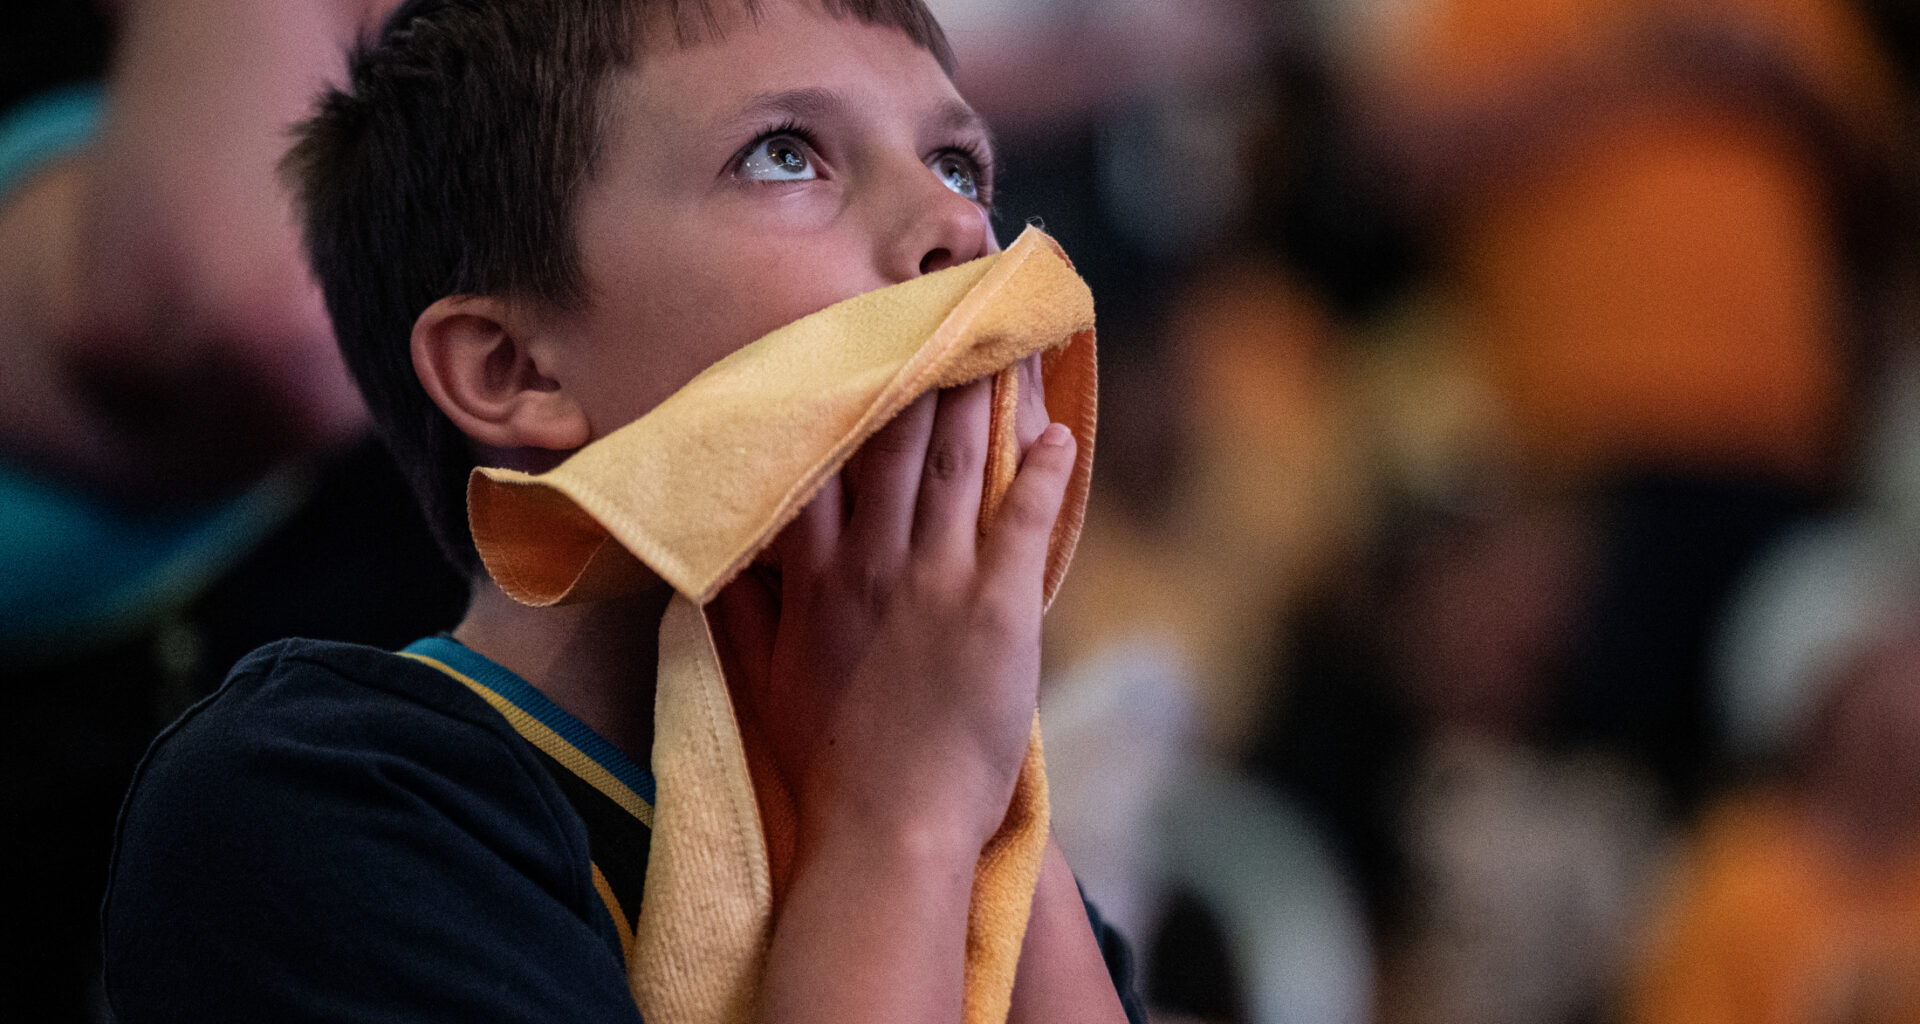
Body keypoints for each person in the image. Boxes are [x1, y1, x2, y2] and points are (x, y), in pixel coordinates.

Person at [99, 0, 1142, 1021]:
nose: (960, 228)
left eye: (958, 167)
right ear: (514, 370)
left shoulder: (969, 805)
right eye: (784, 155)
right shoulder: (313, 807)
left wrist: (991, 784)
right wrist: (898, 817)